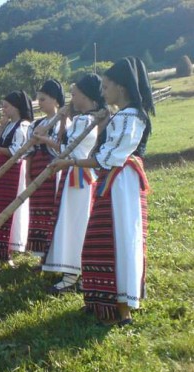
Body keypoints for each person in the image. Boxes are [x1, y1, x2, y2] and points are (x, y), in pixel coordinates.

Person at [52, 57, 154, 326]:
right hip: (113, 183)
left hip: (121, 184)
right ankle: (101, 301)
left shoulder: (132, 117)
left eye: (107, 87)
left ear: (121, 88)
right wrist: (104, 119)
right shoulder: (121, 116)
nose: (104, 92)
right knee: (102, 239)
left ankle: (121, 308)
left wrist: (71, 162)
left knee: (119, 239)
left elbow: (109, 156)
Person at [41, 74, 106, 293]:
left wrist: (64, 158)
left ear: (86, 96)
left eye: (75, 93)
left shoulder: (88, 121)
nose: (72, 98)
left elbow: (75, 150)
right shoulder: (79, 119)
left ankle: (75, 272)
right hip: (69, 172)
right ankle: (71, 269)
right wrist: (61, 119)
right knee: (68, 220)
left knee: (77, 222)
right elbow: (61, 145)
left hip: (79, 176)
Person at [0, 90, 33, 265]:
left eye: (6, 106)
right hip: (0, 170)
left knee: (7, 209)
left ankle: (7, 249)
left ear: (16, 107)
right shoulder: (9, 125)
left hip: (11, 171)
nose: (3, 109)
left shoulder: (23, 126)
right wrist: (1, 127)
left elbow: (16, 151)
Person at [25, 79, 68, 258]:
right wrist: (27, 175)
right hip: (36, 168)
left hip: (53, 170)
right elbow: (29, 152)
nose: (39, 103)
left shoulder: (64, 122)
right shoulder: (35, 125)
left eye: (43, 99)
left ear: (55, 100)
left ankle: (54, 253)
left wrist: (42, 139)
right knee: (37, 209)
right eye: (38, 100)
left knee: (52, 209)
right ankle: (41, 254)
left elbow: (62, 147)